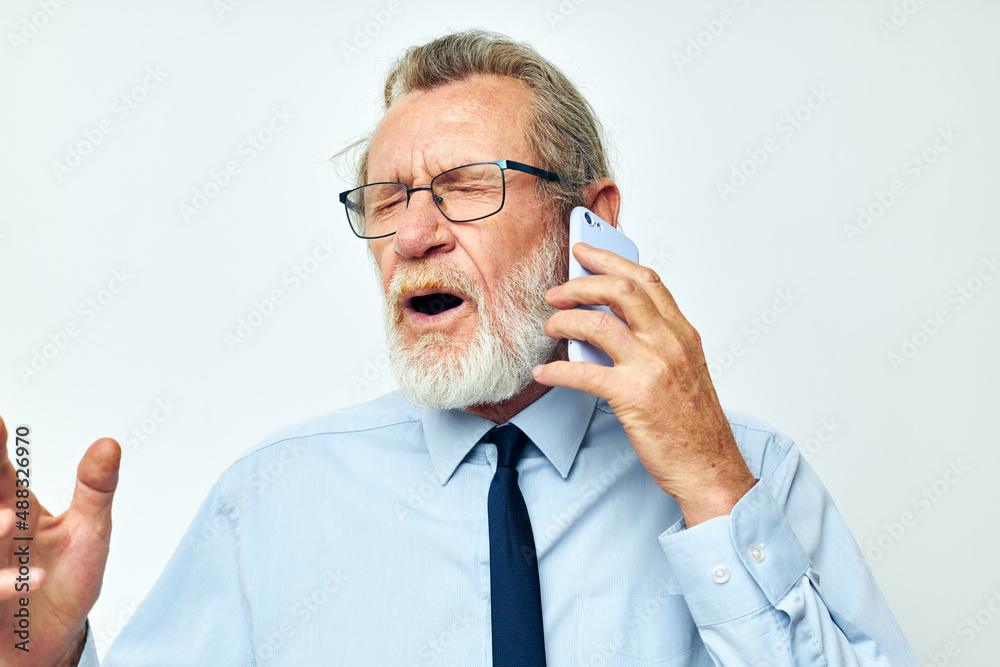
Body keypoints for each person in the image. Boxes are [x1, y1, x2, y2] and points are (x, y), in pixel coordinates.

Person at [0, 30, 918, 666]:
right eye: (388, 199)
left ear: (589, 223)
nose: (412, 237)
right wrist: (35, 655)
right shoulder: (269, 501)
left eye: (465, 186)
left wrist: (715, 491)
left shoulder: (754, 471)